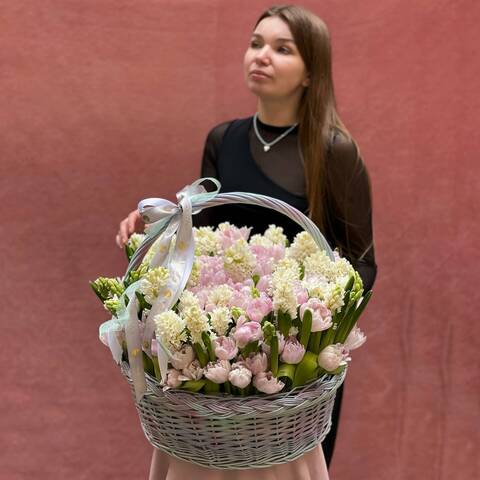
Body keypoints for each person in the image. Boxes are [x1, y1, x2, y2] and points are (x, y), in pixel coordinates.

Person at [116, 5, 377, 479]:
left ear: (310, 72)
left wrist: (312, 325)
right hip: (223, 349)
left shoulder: (334, 151)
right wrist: (153, 230)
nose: (262, 56)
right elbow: (204, 237)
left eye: (282, 48)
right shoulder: (224, 138)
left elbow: (363, 264)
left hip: (295, 360)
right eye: (256, 43)